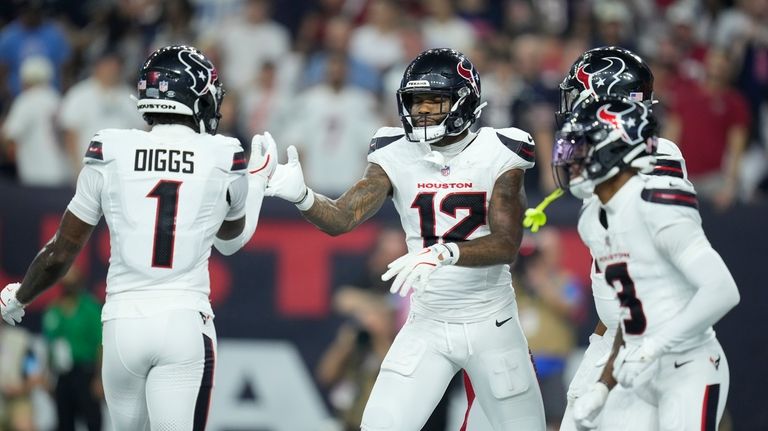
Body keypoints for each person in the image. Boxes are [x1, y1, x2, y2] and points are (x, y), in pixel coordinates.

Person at [265, 48, 546, 430]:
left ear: (465, 101)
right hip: (427, 321)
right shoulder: (393, 151)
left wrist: (445, 252)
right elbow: (342, 218)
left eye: (436, 100)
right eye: (417, 101)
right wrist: (303, 196)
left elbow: (507, 243)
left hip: (491, 320)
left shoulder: (500, 150)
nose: (424, 111)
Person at [0, 45, 275, 430]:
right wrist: (259, 181)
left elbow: (61, 251)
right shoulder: (222, 153)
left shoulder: (110, 147)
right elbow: (230, 240)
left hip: (121, 325)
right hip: (182, 321)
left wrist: (18, 296)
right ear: (195, 96)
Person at [552, 95, 739, 431]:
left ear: (614, 150)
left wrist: (653, 346)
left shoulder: (657, 204)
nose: (573, 160)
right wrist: (601, 384)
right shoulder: (593, 219)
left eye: (584, 148)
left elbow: (723, 291)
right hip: (633, 366)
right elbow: (631, 314)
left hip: (688, 364)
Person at [554, 46, 694, 431]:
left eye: (579, 97)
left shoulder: (658, 154)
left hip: (649, 339)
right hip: (612, 336)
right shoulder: (600, 159)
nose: (571, 109)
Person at [42, 267, 103, 431]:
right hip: (62, 375)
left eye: (72, 281)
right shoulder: (53, 310)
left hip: (86, 373)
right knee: (64, 422)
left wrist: (99, 378)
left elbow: (100, 345)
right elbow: (49, 345)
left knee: (93, 421)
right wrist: (47, 374)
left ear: (80, 283)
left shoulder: (90, 308)